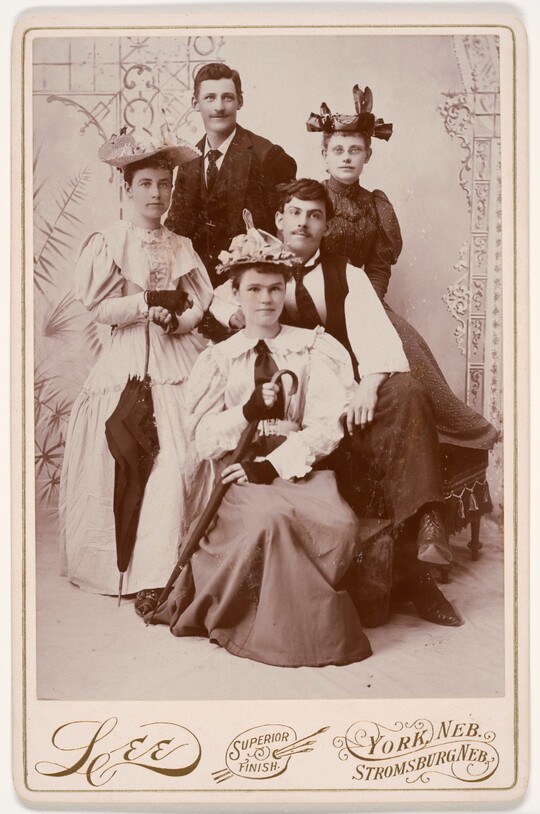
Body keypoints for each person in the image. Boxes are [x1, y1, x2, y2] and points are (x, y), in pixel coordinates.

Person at [210, 179, 474, 627]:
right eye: (295, 212)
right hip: (286, 394)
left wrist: (369, 387)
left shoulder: (346, 274)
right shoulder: (257, 260)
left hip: (341, 388)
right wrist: (234, 313)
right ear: (279, 218)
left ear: (326, 224)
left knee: (407, 390)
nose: (303, 222)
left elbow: (379, 339)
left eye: (315, 215)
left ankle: (421, 554)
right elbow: (220, 299)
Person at [145, 222, 390, 667]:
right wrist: (247, 412)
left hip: (297, 470)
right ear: (235, 294)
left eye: (275, 289)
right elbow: (201, 437)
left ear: (287, 290)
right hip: (238, 474)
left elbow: (327, 426)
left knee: (340, 527)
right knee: (270, 519)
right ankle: (285, 633)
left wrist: (274, 464)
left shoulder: (313, 348)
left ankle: (300, 621)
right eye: (254, 289)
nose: (266, 300)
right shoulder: (219, 359)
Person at [59, 129, 213, 600]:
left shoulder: (180, 243)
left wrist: (178, 322)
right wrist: (145, 305)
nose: (157, 194)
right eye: (146, 183)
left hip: (175, 355)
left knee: (183, 455)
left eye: (165, 184)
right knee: (124, 456)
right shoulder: (110, 240)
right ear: (126, 188)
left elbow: (197, 303)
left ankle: (172, 566)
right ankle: (128, 569)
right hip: (127, 355)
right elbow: (100, 306)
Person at [309, 84, 498, 456]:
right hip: (314, 301)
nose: (346, 158)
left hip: (364, 301)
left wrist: (368, 305)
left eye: (355, 151)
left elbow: (378, 267)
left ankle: (461, 434)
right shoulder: (311, 200)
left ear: (368, 155)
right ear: (324, 154)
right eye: (338, 150)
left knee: (412, 348)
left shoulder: (377, 206)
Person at [165, 62, 297, 286]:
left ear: (240, 101)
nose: (219, 107)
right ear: (195, 104)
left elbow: (286, 229)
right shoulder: (187, 161)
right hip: (198, 284)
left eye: (227, 97)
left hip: (251, 282)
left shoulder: (267, 156)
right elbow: (177, 226)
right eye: (210, 98)